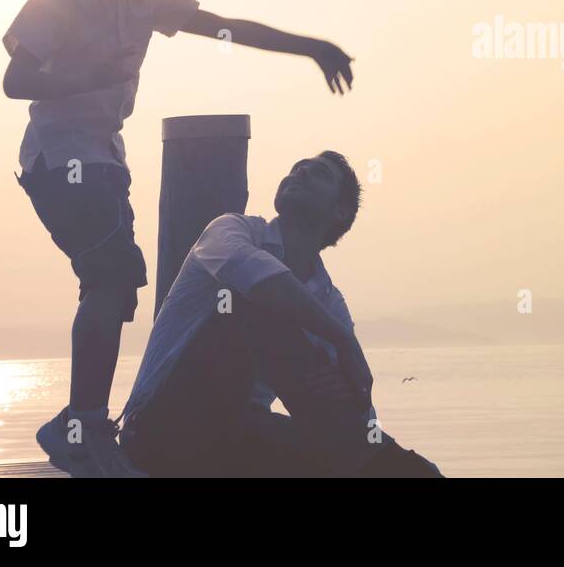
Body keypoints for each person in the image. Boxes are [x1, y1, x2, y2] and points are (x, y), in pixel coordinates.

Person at [3, 0, 355, 477]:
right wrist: (89, 76)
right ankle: (83, 426)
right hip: (61, 158)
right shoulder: (56, 0)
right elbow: (17, 81)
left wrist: (309, 47)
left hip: (105, 161)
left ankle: (81, 421)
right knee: (110, 276)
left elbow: (227, 29)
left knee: (118, 288)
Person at [119, 152, 442, 477]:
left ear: (340, 211)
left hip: (239, 437)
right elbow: (253, 275)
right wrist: (343, 342)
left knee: (411, 469)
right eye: (297, 167)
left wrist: (351, 399)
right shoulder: (231, 230)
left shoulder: (329, 303)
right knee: (244, 298)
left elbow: (353, 406)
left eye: (318, 173)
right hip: (159, 429)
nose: (300, 172)